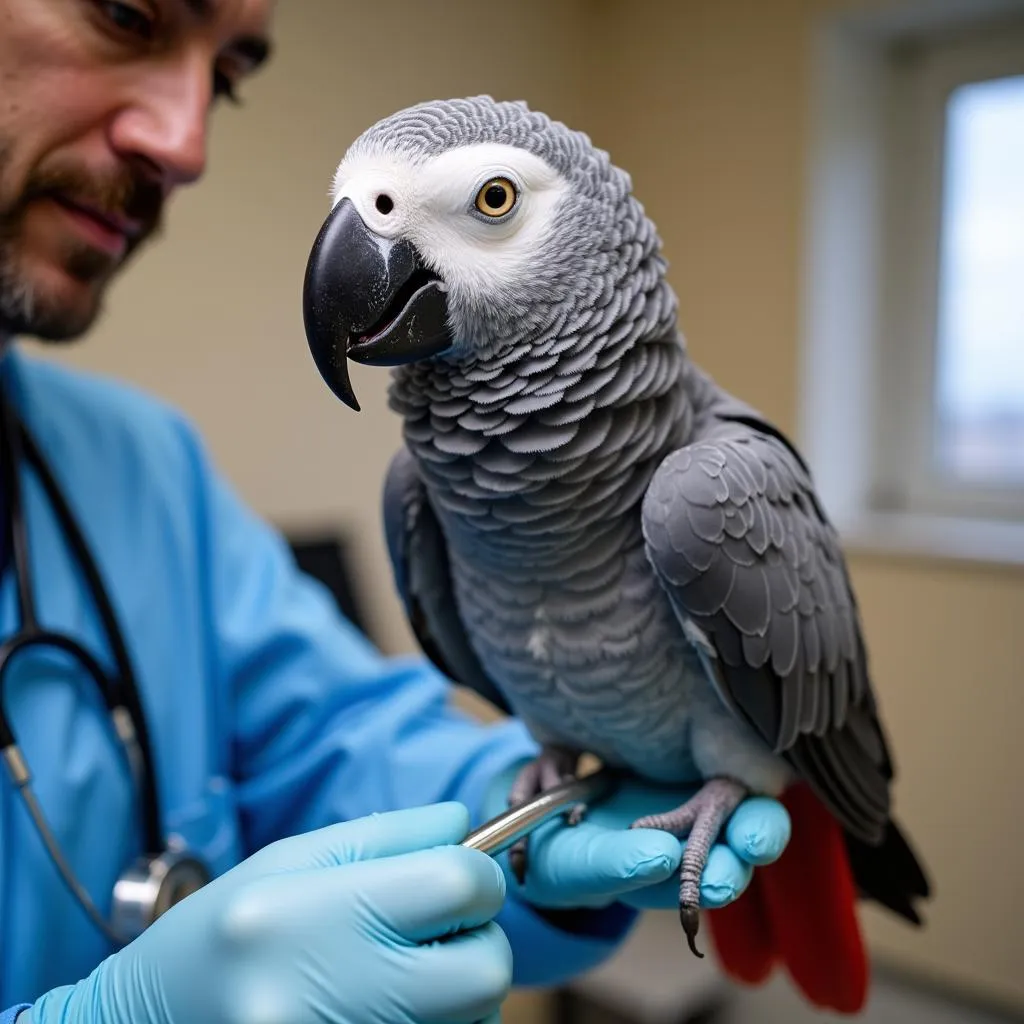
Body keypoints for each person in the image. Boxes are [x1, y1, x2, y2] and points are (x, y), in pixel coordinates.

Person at [0, 2, 793, 1023]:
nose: (186, 143)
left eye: (227, 79)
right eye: (126, 13)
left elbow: (329, 734)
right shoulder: (410, 489)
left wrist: (521, 809)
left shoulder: (139, 459)